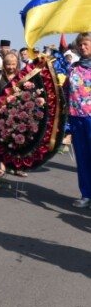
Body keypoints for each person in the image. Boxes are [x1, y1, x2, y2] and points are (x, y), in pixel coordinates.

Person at [0, 53, 27, 178]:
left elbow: (28, 92)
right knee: (2, 140)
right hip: (1, 113)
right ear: (3, 64)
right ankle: (2, 167)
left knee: (18, 140)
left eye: (13, 64)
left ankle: (18, 167)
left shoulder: (22, 75)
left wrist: (20, 92)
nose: (10, 67)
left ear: (17, 64)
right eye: (8, 64)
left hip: (19, 112)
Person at [67, 32, 91, 208]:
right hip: (76, 117)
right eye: (81, 44)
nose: (83, 47)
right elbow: (65, 91)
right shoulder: (73, 67)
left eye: (86, 44)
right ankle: (86, 194)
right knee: (82, 158)